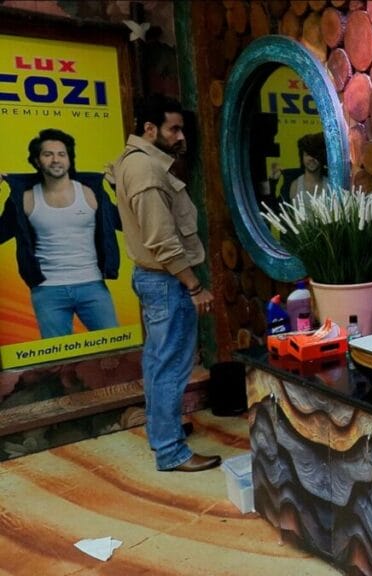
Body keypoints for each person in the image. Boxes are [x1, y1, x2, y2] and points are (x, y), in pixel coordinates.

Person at [107, 94, 220, 473]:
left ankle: (164, 433)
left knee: (158, 362)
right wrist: (194, 287)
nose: (181, 136)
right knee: (170, 365)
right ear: (149, 129)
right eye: (173, 129)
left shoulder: (135, 161)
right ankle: (171, 452)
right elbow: (161, 240)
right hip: (167, 281)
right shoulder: (146, 169)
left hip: (155, 279)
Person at [0, 129, 121, 338]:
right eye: (48, 154)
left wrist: (118, 188)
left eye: (61, 154)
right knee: (57, 356)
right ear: (37, 161)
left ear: (69, 159)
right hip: (47, 290)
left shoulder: (91, 193)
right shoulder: (25, 199)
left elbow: (125, 223)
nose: (56, 160)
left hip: (92, 285)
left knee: (115, 347)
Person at [285, 132, 327, 202]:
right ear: (302, 157)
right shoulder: (295, 186)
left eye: (315, 155)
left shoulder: (330, 185)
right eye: (307, 155)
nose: (311, 159)